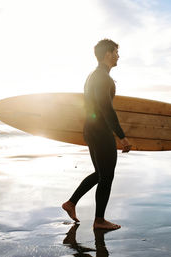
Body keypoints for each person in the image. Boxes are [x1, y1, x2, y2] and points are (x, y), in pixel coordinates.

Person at [62, 39, 131, 230]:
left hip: (91, 130)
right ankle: (99, 221)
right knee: (107, 177)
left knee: (101, 174)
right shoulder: (102, 78)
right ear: (108, 54)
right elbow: (106, 109)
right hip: (101, 132)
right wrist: (121, 135)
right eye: (116, 51)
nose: (118, 55)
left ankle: (71, 203)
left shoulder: (94, 76)